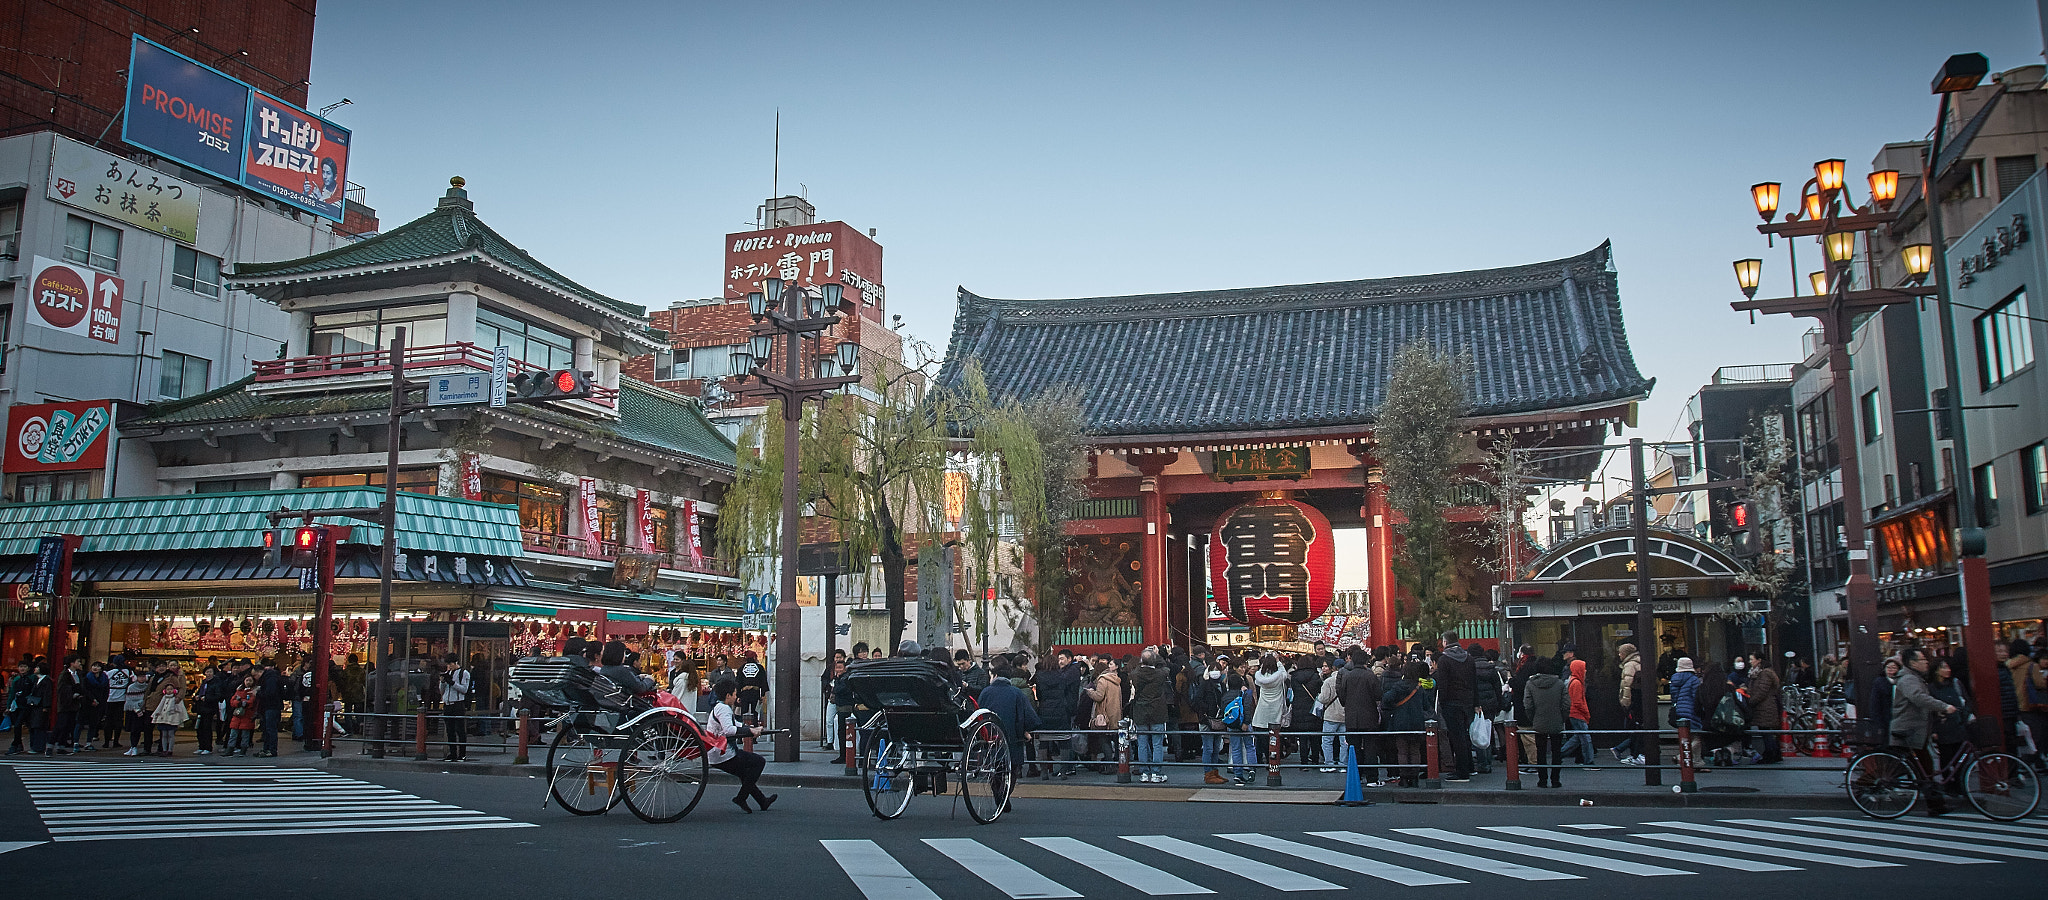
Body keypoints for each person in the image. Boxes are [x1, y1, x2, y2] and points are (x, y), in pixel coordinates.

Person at [1891, 647, 1956, 816]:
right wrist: (1943, 706)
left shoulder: (1914, 678)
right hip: (1909, 730)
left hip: (1914, 730)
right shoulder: (1909, 679)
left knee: (1924, 769)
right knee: (1921, 768)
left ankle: (1936, 805)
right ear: (1913, 663)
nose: (1926, 663)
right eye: (1923, 660)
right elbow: (1918, 698)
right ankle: (1936, 804)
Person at [705, 678, 777, 813]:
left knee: (745, 774)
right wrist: (750, 731)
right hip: (723, 754)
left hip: (718, 753)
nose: (736, 696)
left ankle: (762, 801)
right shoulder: (724, 708)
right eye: (734, 694)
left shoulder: (719, 707)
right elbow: (729, 730)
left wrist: (752, 728)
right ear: (728, 696)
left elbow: (735, 725)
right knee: (758, 762)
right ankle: (741, 798)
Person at [977, 664, 1042, 799]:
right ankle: (1005, 795)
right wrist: (1026, 730)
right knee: (1012, 769)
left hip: (991, 737)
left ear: (994, 676)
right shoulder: (1016, 692)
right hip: (1013, 738)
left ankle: (997, 794)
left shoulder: (985, 692)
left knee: (994, 769)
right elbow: (1030, 717)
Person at [1433, 633, 1477, 782]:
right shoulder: (1469, 659)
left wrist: (1442, 702)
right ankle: (1469, 767)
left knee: (1456, 737)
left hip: (1451, 702)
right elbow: (1474, 682)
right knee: (1465, 735)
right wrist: (1476, 702)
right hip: (1468, 701)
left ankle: (1462, 772)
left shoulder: (1444, 660)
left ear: (1445, 642)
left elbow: (1443, 685)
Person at [1335, 647, 1384, 784]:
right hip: (1368, 716)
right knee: (1370, 748)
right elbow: (1378, 695)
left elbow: (1342, 697)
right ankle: (1372, 778)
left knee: (1354, 748)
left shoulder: (1347, 676)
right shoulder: (1370, 675)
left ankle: (1357, 776)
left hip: (1351, 717)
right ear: (1366, 661)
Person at [1382, 661, 1434, 788]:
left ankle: (1404, 778)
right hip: (1417, 722)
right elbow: (1427, 706)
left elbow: (1387, 699)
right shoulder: (1419, 687)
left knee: (1402, 751)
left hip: (1400, 722)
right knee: (1415, 751)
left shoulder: (1398, 686)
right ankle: (1414, 778)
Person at [1523, 657, 1569, 788]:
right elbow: (1566, 704)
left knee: (1540, 751)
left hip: (1539, 720)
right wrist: (1562, 718)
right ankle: (1556, 780)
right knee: (1556, 751)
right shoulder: (1559, 683)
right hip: (1556, 720)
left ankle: (1542, 779)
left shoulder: (1531, 684)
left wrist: (1533, 718)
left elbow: (1528, 705)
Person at [1128, 648, 1170, 782]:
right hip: (1157, 711)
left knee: (1142, 743)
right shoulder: (1160, 674)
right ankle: (1156, 773)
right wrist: (1158, 655)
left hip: (1140, 710)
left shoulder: (1135, 674)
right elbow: (1165, 667)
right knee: (1157, 743)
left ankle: (1144, 772)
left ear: (1141, 660)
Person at [1249, 652, 1287, 777]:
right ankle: (1274, 760)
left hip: (1262, 709)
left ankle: (1261, 759)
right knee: (1274, 737)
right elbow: (1285, 674)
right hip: (1275, 709)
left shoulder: (1259, 677)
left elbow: (1259, 676)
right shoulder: (1280, 676)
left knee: (1261, 737)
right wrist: (1279, 662)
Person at [1083, 657, 1123, 773]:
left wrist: (1090, 692)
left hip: (1104, 714)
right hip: (1115, 713)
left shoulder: (1102, 680)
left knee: (1104, 739)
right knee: (1116, 740)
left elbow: (1099, 696)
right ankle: (1118, 763)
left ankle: (1109, 765)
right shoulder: (1116, 680)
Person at [1746, 652, 1783, 764]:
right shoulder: (1759, 673)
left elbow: (1762, 691)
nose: (1750, 661)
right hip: (1763, 707)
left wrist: (1750, 701)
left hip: (1766, 707)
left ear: (1759, 660)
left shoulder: (1765, 673)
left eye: (1752, 659)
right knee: (1765, 731)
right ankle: (1773, 753)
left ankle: (1770, 754)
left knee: (1766, 731)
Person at [1611, 643, 1645, 765]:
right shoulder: (1639, 662)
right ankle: (1635, 753)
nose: (1619, 655)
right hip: (1639, 700)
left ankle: (1636, 754)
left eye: (1620, 652)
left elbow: (1627, 685)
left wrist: (1625, 703)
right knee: (1638, 728)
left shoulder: (1629, 665)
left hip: (1633, 701)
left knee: (1635, 727)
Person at [1289, 654, 1323, 766]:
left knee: (1303, 737)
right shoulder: (1316, 676)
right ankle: (1315, 759)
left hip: (1299, 707)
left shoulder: (1294, 677)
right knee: (1315, 737)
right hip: (1313, 708)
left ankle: (1303, 761)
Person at [437, 654, 473, 762]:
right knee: (450, 730)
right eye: (448, 664)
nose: (449, 666)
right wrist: (443, 681)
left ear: (456, 663)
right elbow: (441, 690)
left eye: (451, 664)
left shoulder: (464, 673)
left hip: (458, 703)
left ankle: (462, 754)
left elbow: (464, 689)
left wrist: (452, 683)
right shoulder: (448, 672)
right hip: (447, 704)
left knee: (460, 730)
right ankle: (452, 753)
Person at [1670, 656, 1702, 770]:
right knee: (1697, 737)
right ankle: (1681, 757)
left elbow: (1673, 697)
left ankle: (1696, 761)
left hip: (1679, 710)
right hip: (1691, 710)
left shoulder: (1674, 679)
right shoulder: (1694, 679)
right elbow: (1696, 696)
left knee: (1685, 736)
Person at [1561, 657, 1594, 767]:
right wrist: (1586, 713)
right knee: (1585, 738)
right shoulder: (1577, 683)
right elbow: (1578, 702)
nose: (1585, 671)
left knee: (1577, 738)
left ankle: (1560, 754)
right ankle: (1589, 761)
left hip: (1574, 713)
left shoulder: (1573, 681)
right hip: (1578, 714)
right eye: (1583, 668)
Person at [254, 659, 285, 757]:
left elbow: (270, 693)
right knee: (268, 729)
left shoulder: (270, 678)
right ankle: (267, 749)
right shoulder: (271, 677)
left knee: (270, 729)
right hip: (270, 706)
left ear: (260, 672)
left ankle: (271, 749)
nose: (255, 678)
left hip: (271, 706)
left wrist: (258, 693)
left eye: (255, 675)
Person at [6, 660, 38, 754]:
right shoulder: (16, 679)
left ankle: (15, 745)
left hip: (26, 706)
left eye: (24, 666)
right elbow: (12, 693)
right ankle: (19, 745)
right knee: (17, 725)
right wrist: (8, 706)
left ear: (28, 668)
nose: (22, 669)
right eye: (20, 667)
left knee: (18, 725)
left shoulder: (32, 678)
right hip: (17, 705)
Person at [150, 677, 185, 757]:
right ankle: (164, 749)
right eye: (168, 689)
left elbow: (180, 709)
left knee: (171, 734)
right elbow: (160, 707)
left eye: (171, 689)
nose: (169, 691)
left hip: (172, 718)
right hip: (163, 718)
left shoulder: (176, 699)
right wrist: (156, 714)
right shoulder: (164, 698)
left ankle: (170, 750)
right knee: (164, 734)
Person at [735, 651, 768, 723]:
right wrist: (762, 694)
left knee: (744, 712)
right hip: (755, 692)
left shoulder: (742, 668)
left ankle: (744, 727)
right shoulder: (760, 668)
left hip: (744, 692)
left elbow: (738, 682)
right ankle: (755, 726)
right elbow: (763, 681)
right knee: (755, 712)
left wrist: (738, 695)